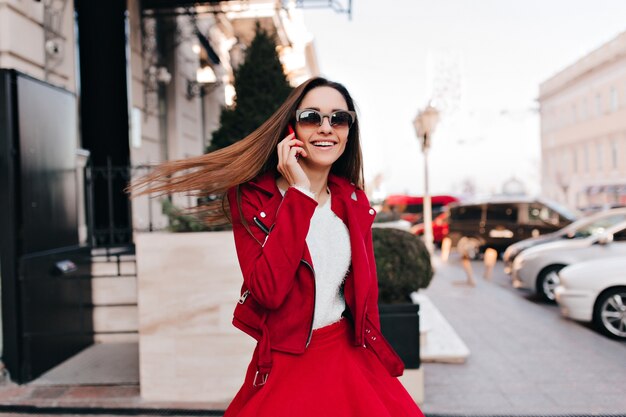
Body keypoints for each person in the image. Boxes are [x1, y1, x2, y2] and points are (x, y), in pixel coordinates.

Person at [130, 77, 424, 417]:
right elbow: (268, 291)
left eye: (338, 118)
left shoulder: (352, 199)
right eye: (312, 117)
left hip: (349, 357)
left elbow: (364, 296)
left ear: (349, 131)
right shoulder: (254, 198)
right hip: (289, 361)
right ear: (291, 129)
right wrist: (299, 195)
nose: (326, 128)